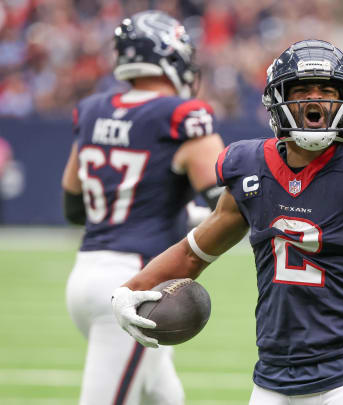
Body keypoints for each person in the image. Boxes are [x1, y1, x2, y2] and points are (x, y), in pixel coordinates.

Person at [111, 30, 343, 404]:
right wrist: (130, 289)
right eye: (302, 91)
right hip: (272, 380)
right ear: (278, 99)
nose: (315, 102)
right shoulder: (251, 168)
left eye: (327, 91)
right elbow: (194, 253)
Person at [61, 11, 224, 405]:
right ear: (172, 56)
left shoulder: (93, 110)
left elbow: (73, 206)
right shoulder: (182, 116)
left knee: (163, 396)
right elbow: (226, 202)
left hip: (85, 277)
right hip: (135, 285)